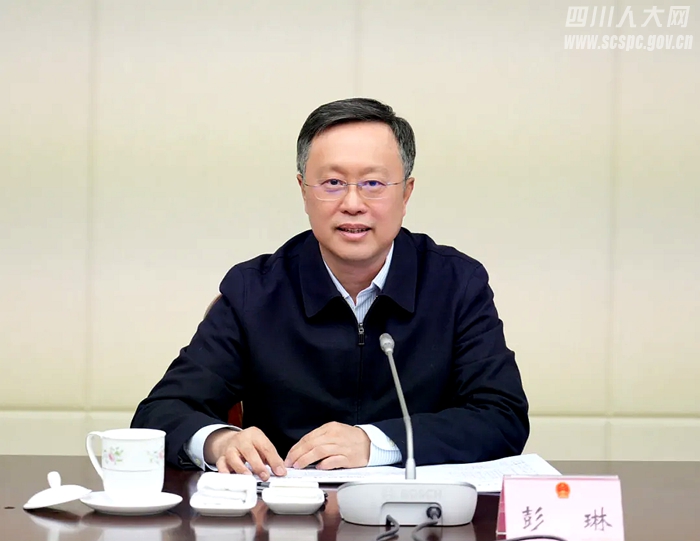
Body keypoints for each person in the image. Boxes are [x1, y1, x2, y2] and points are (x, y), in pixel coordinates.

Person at [132, 97, 529, 480]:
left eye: (373, 183)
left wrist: (377, 444)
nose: (353, 203)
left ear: (406, 193)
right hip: (287, 512)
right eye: (333, 183)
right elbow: (160, 412)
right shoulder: (254, 291)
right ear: (304, 190)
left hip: (418, 512)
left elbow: (502, 416)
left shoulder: (456, 285)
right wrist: (219, 441)